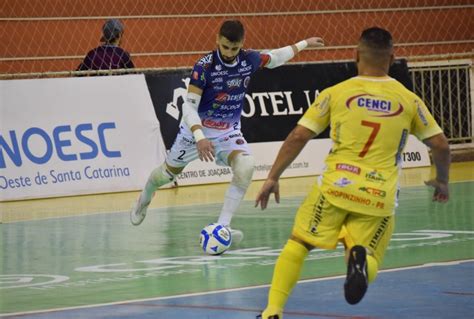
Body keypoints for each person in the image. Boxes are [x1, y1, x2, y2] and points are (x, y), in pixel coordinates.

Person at [255, 27, 450, 318]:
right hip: (379, 195)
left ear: (356, 54)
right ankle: (358, 261)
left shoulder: (337, 93)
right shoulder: (409, 100)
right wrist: (442, 181)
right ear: (392, 58)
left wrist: (272, 177)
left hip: (335, 187)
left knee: (299, 242)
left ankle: (273, 311)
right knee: (367, 253)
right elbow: (441, 145)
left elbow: (298, 136)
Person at [130, 20, 324, 244]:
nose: (230, 53)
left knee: (246, 166)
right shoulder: (204, 66)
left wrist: (304, 43)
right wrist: (200, 137)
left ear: (242, 44)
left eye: (234, 48)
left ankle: (222, 226)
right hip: (195, 131)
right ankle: (145, 197)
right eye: (225, 47)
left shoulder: (249, 59)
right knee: (164, 175)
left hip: (228, 132)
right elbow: (188, 106)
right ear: (217, 41)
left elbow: (275, 57)